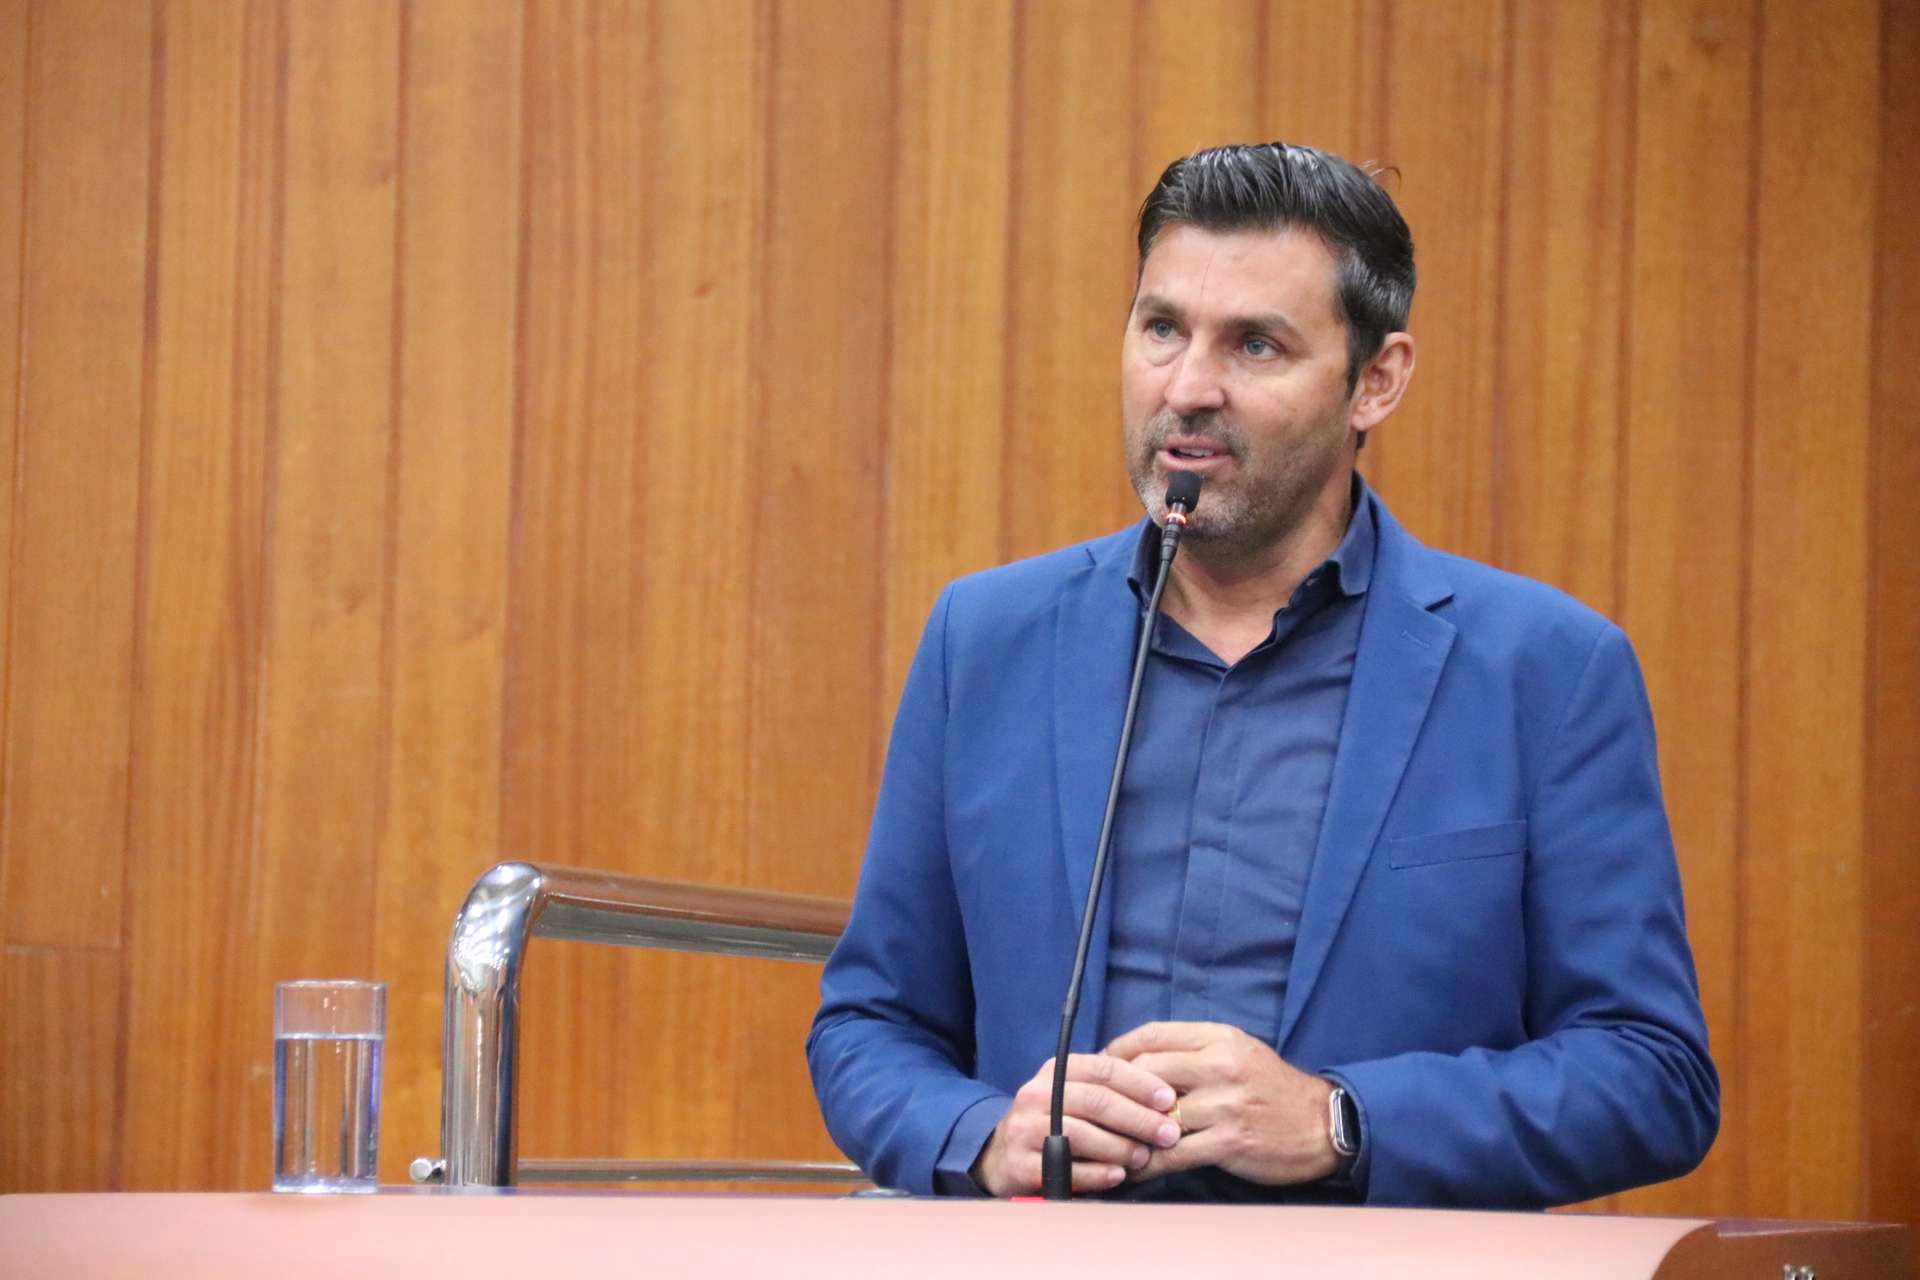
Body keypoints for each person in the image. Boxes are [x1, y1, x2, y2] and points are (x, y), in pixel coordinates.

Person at [807, 143, 1718, 1207]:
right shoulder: (986, 639)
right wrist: (980, 1138)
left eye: (1255, 345)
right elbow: (870, 1023)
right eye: (1162, 329)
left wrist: (1340, 1120)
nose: (1188, 388)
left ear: (1376, 380)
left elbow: (1653, 1074)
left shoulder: (1547, 671)